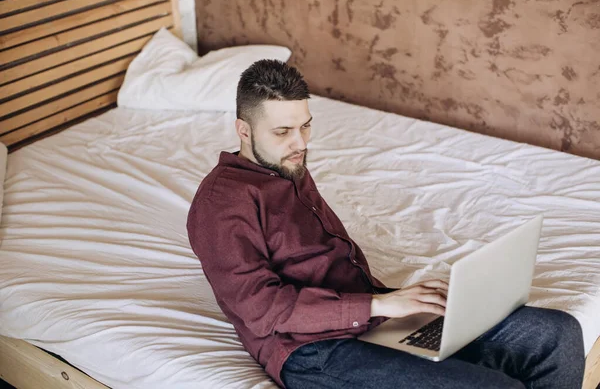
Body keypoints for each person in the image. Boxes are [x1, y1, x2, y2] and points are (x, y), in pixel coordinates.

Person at [186, 59, 585, 389]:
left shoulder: (287, 165)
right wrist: (380, 304)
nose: (301, 142)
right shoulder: (221, 203)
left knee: (558, 335)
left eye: (305, 125)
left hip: (371, 315)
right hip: (312, 351)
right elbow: (261, 310)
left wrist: (392, 304)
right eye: (283, 131)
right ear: (243, 129)